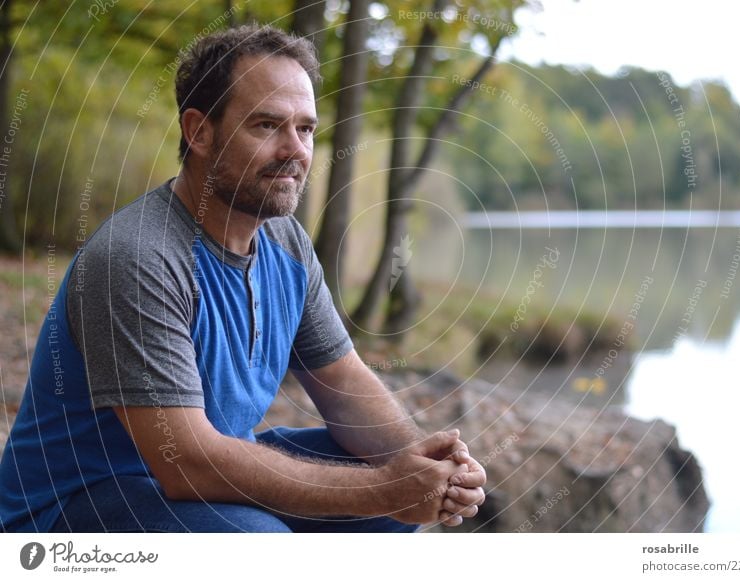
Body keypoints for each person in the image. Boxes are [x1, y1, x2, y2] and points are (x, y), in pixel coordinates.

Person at [0, 24, 486, 533]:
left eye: (306, 129)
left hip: (199, 477)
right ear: (199, 131)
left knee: (386, 503)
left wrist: (424, 468)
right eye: (266, 125)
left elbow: (343, 381)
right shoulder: (138, 257)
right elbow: (186, 462)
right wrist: (383, 489)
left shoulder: (286, 243)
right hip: (78, 506)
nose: (294, 150)